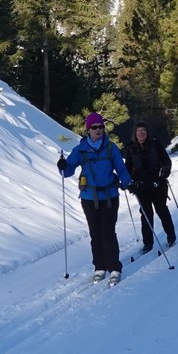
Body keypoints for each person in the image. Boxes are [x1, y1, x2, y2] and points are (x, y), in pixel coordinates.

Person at [57, 112, 133, 281]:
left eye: (100, 126)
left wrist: (127, 181)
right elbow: (67, 171)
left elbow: (121, 169)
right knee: (95, 233)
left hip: (110, 196)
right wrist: (62, 166)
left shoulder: (111, 147)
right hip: (89, 198)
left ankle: (114, 268)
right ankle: (99, 267)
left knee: (108, 232)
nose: (98, 130)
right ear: (88, 129)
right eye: (94, 127)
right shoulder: (80, 150)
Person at [123, 119, 176, 253]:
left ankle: (171, 236)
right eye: (138, 131)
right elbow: (127, 168)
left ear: (147, 132)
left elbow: (166, 161)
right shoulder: (131, 148)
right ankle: (148, 243)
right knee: (146, 214)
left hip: (158, 183)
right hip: (141, 185)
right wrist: (129, 183)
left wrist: (163, 175)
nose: (141, 133)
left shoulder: (155, 144)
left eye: (143, 131)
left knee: (161, 210)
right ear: (135, 133)